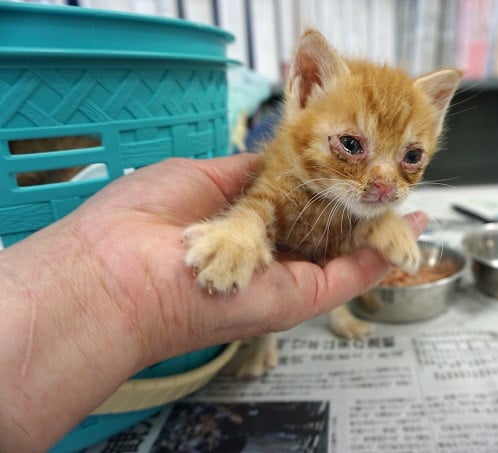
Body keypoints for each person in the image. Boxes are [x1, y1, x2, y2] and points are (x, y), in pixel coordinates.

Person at [0, 153, 428, 452]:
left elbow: (341, 243)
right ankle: (265, 339)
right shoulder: (286, 168)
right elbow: (258, 206)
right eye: (351, 146)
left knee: (337, 260)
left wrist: (383, 223)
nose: (385, 183)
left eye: (411, 156)